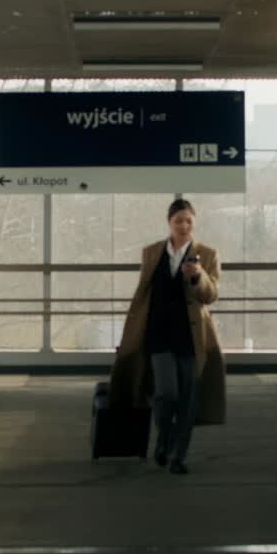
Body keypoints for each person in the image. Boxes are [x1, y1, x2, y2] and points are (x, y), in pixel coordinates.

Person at [109, 198, 226, 474]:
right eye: (178, 221)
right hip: (158, 333)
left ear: (194, 223)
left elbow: (211, 296)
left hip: (190, 337)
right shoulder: (152, 253)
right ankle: (165, 439)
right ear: (169, 223)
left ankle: (178, 457)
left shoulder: (207, 255)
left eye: (188, 221)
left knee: (188, 398)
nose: (184, 226)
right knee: (166, 393)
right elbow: (145, 291)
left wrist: (198, 276)